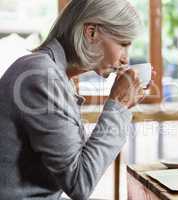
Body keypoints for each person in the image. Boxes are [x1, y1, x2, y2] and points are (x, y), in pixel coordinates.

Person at [0, 0, 149, 199]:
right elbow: (80, 183)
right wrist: (118, 105)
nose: (125, 59)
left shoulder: (50, 73)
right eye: (123, 44)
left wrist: (121, 105)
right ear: (91, 32)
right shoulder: (42, 76)